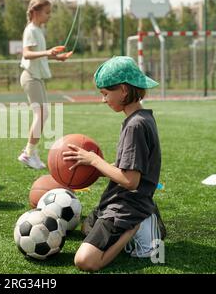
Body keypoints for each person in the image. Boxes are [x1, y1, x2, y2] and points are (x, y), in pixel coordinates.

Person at [62, 56, 165, 271]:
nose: (103, 100)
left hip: (128, 205)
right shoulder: (140, 118)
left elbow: (131, 180)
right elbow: (130, 168)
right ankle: (145, 218)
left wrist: (95, 160)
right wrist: (93, 170)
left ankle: (136, 227)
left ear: (124, 91)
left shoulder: (135, 125)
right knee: (86, 228)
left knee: (84, 261)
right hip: (120, 197)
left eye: (105, 94)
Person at [18, 0, 67, 170]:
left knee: (43, 114)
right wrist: (48, 51)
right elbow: (27, 54)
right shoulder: (30, 30)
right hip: (30, 77)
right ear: (36, 12)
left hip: (36, 77)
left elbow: (39, 54)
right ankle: (28, 153)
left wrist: (56, 56)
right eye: (47, 12)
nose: (49, 16)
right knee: (42, 115)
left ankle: (31, 151)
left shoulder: (38, 30)